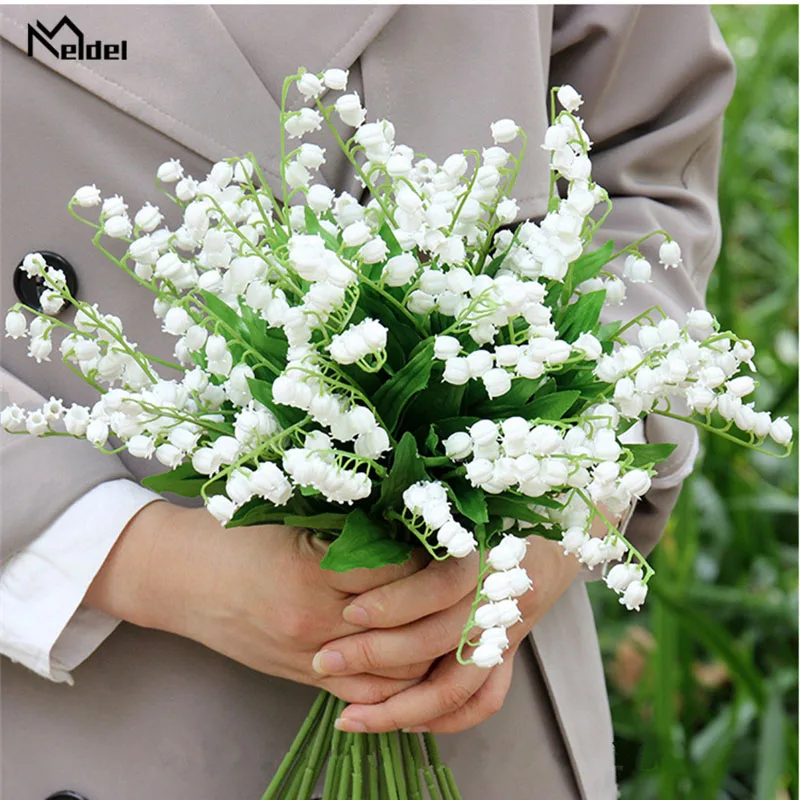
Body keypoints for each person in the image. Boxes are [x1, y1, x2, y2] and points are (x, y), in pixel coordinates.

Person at [0, 6, 735, 799]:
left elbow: (645, 148)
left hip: (480, 686)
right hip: (95, 701)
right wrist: (140, 560)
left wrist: (566, 505)